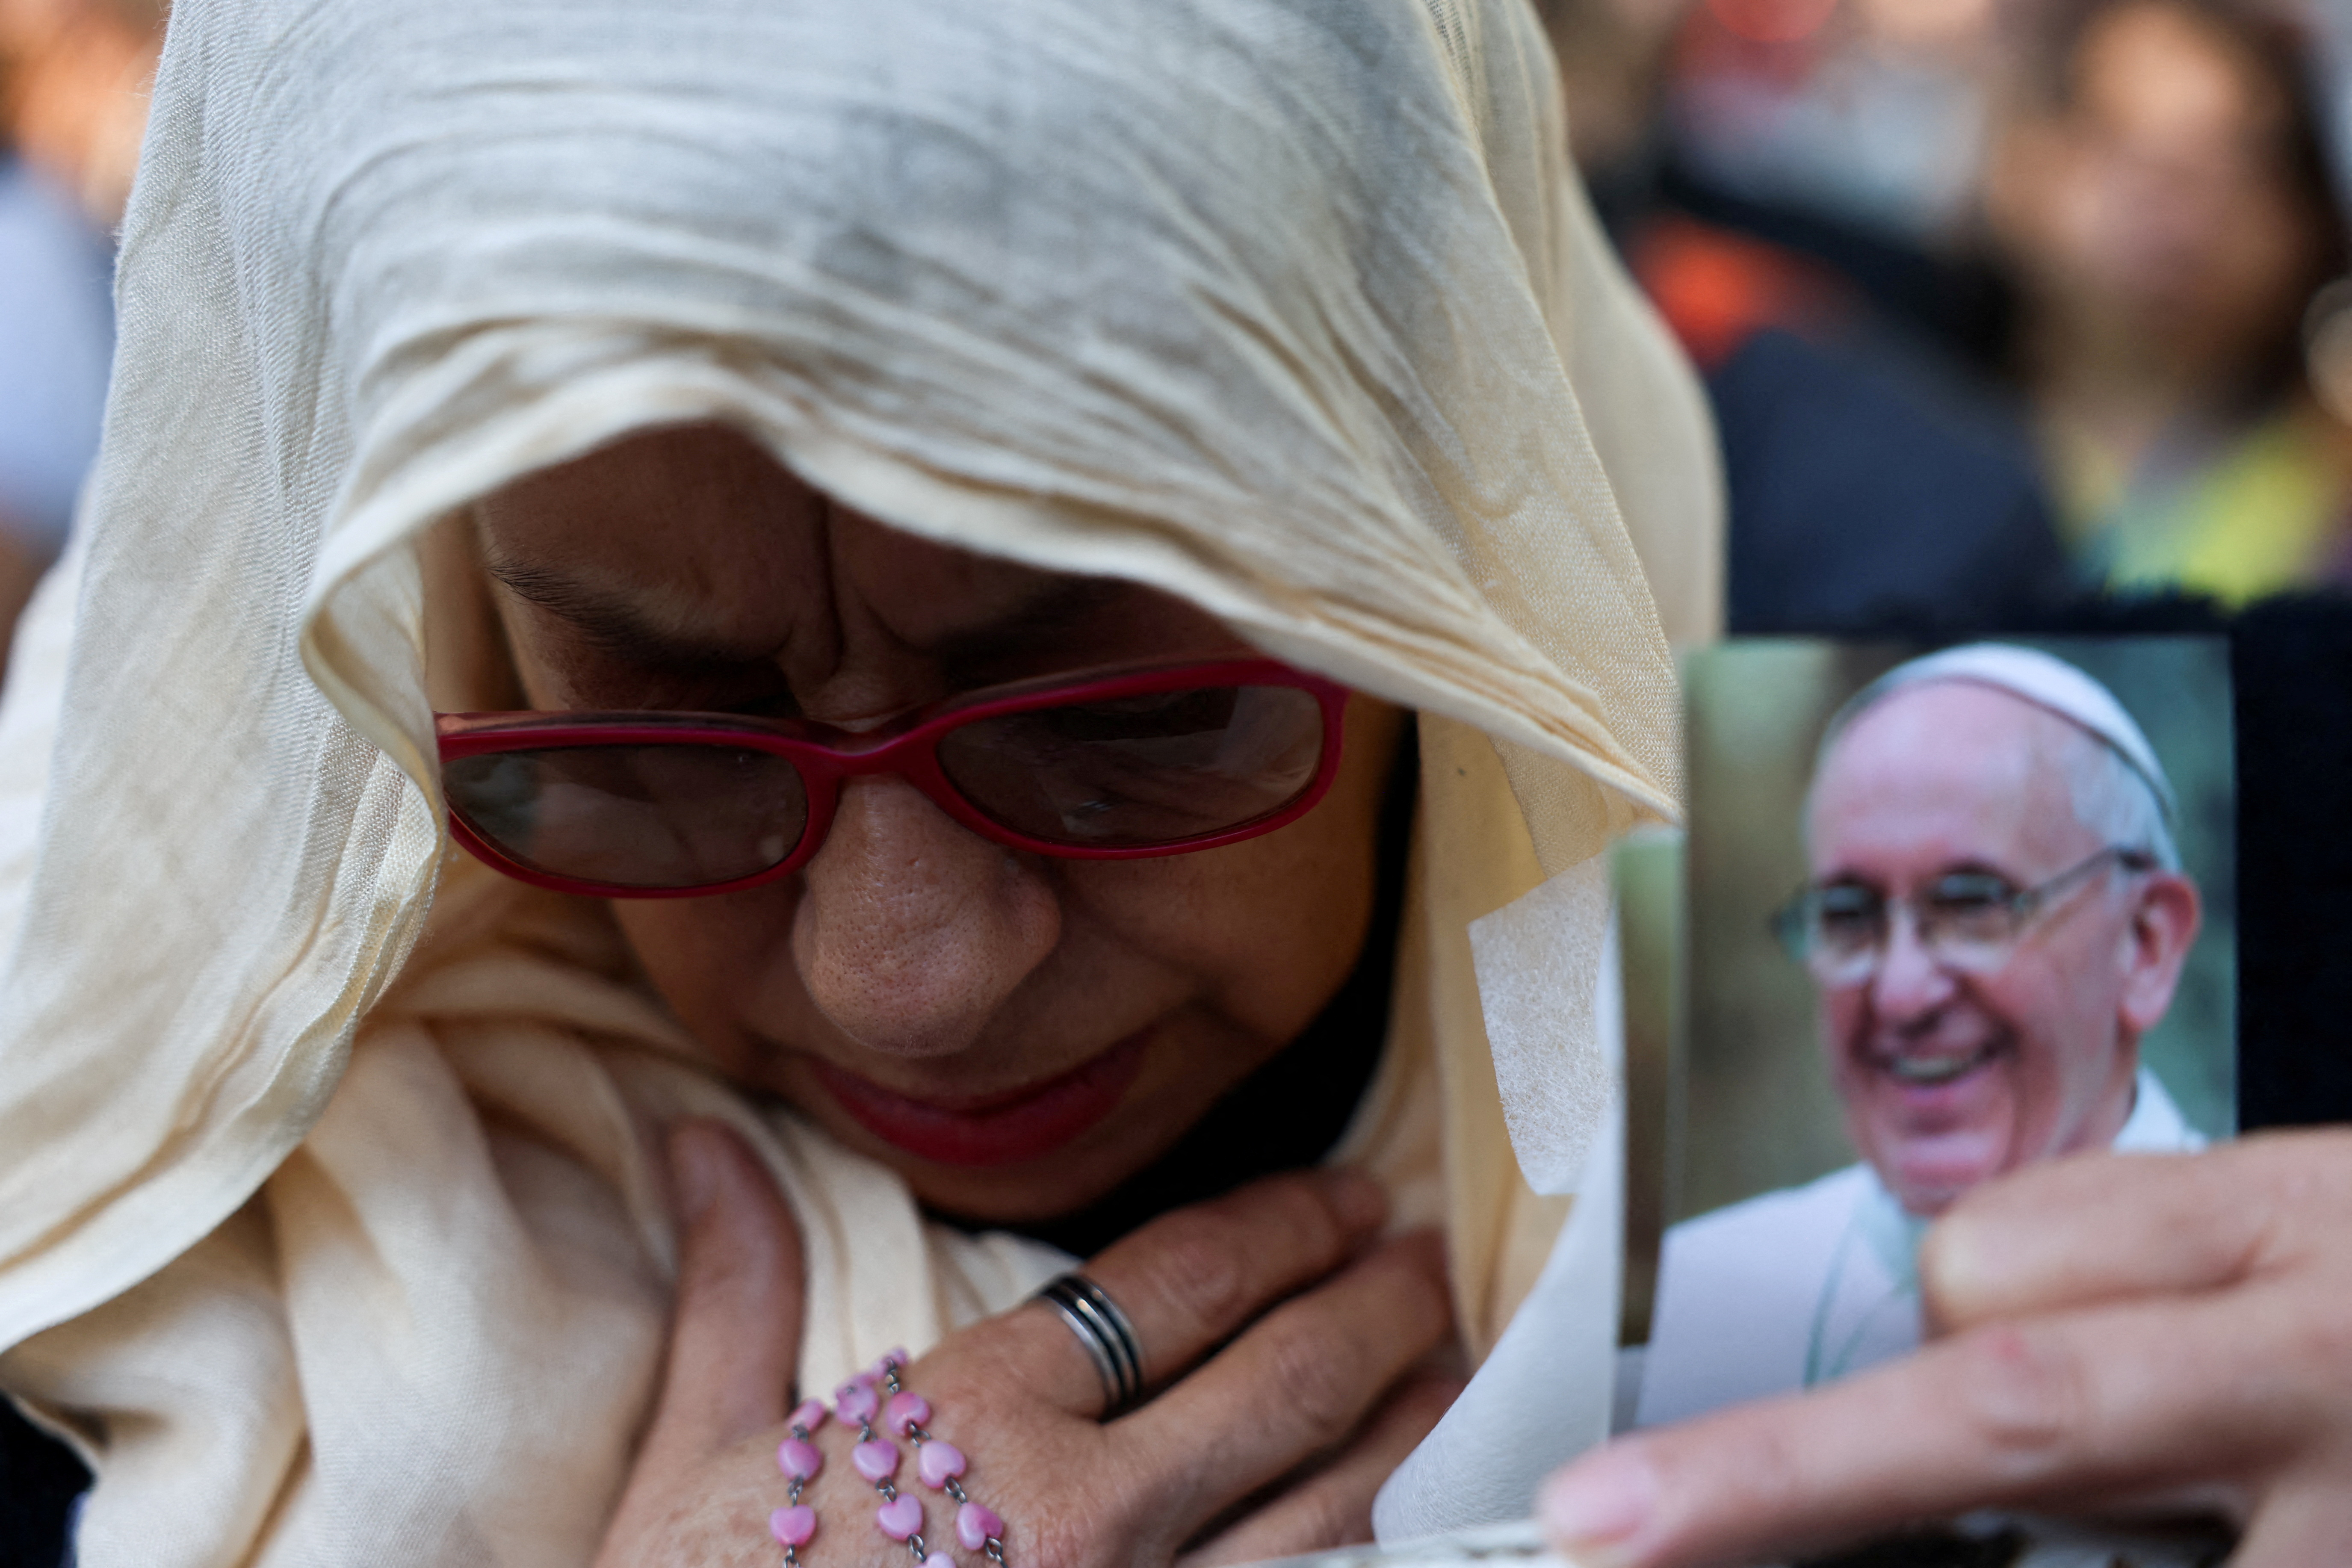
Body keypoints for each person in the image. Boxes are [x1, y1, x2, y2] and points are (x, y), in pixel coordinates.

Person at [0, 0, 1724, 1563]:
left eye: (1120, 718)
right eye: (663, 728)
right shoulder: (106, 1213)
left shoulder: (1884, 895)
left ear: (1430, 519)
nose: (900, 979)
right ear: (431, 604)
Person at [1636, 645, 2207, 1429]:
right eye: (1849, 916)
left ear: (2145, 946)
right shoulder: (1713, 1287)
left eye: (1974, 905)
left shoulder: (2274, 1286)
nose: (1902, 994)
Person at [1981, 0, 2352, 601]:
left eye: (2238, 160)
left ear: (2306, 222)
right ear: (2016, 168)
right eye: (2120, 140)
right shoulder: (1887, 444)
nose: (2179, 206)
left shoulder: (2332, 499)